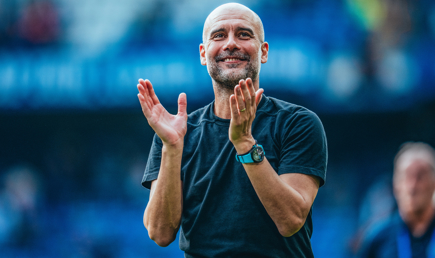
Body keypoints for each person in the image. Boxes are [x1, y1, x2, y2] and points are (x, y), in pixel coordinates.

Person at [137, 3, 327, 257]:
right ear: (204, 54)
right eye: (219, 35)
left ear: (264, 51)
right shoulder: (176, 134)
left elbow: (291, 220)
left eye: (244, 34)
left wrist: (245, 143)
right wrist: (172, 147)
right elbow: (160, 233)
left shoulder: (297, 123)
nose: (230, 44)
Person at [358, 142, 435, 258]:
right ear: (395, 184)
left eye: (420, 176)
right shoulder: (377, 239)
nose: (412, 186)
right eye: (406, 176)